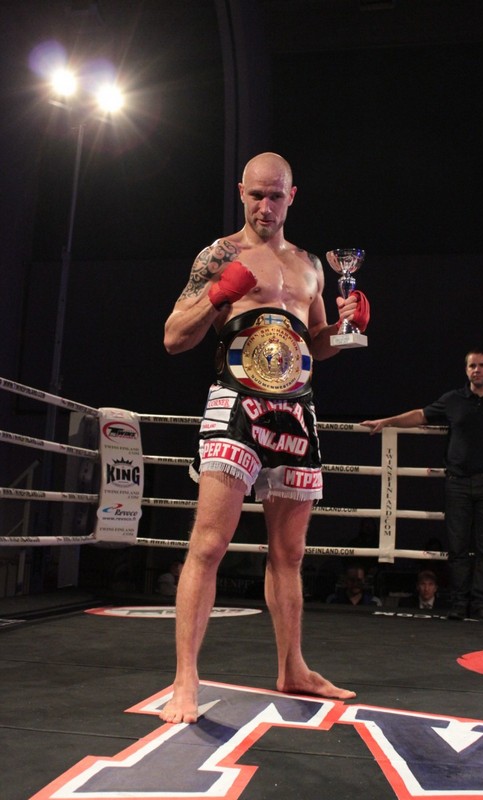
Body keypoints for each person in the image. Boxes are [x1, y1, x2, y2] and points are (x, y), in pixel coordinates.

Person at [160, 152, 370, 723]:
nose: (265, 206)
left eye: (276, 196)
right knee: (208, 544)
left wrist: (347, 327)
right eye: (256, 195)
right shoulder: (219, 255)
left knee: (290, 553)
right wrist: (216, 295)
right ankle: (185, 678)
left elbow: (318, 344)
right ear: (241, 192)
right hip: (236, 404)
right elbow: (174, 338)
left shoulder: (310, 265)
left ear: (291, 196)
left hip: (296, 409)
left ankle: (292, 667)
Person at [362, 349, 483, 622]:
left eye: (482, 365)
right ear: (466, 370)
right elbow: (421, 415)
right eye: (472, 366)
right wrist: (387, 421)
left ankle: (480, 605)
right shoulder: (453, 400)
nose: (476, 370)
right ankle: (459, 603)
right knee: (457, 547)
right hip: (458, 483)